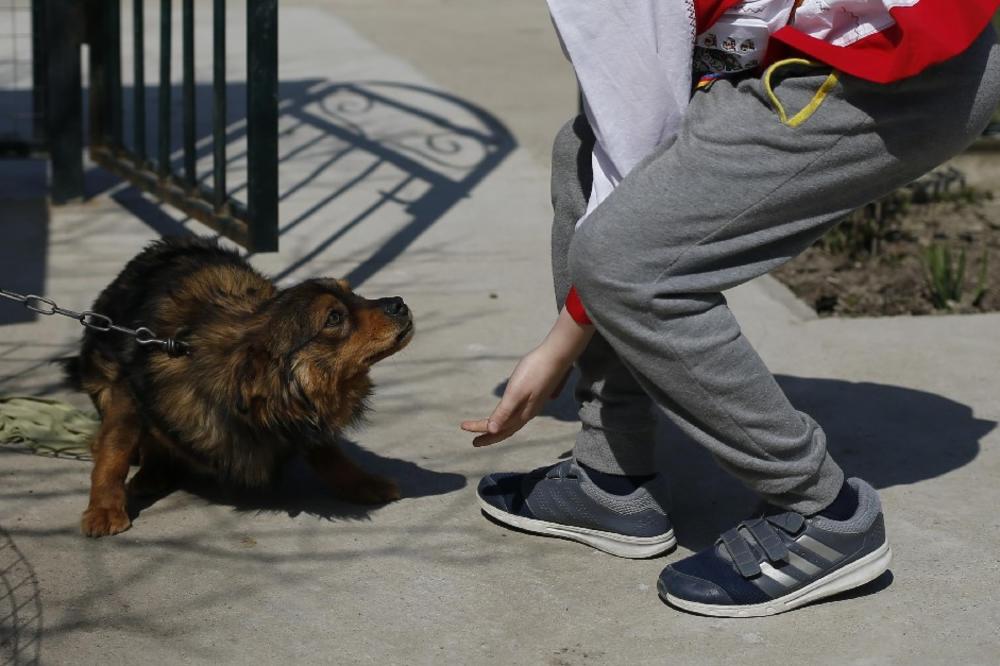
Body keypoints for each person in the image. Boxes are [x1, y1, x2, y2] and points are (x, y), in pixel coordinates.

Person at [461, 0, 1000, 617]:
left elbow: (638, 153)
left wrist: (558, 346)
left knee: (629, 265)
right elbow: (620, 132)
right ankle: (610, 477)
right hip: (823, 52)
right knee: (583, 155)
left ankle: (821, 514)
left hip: (889, 74)